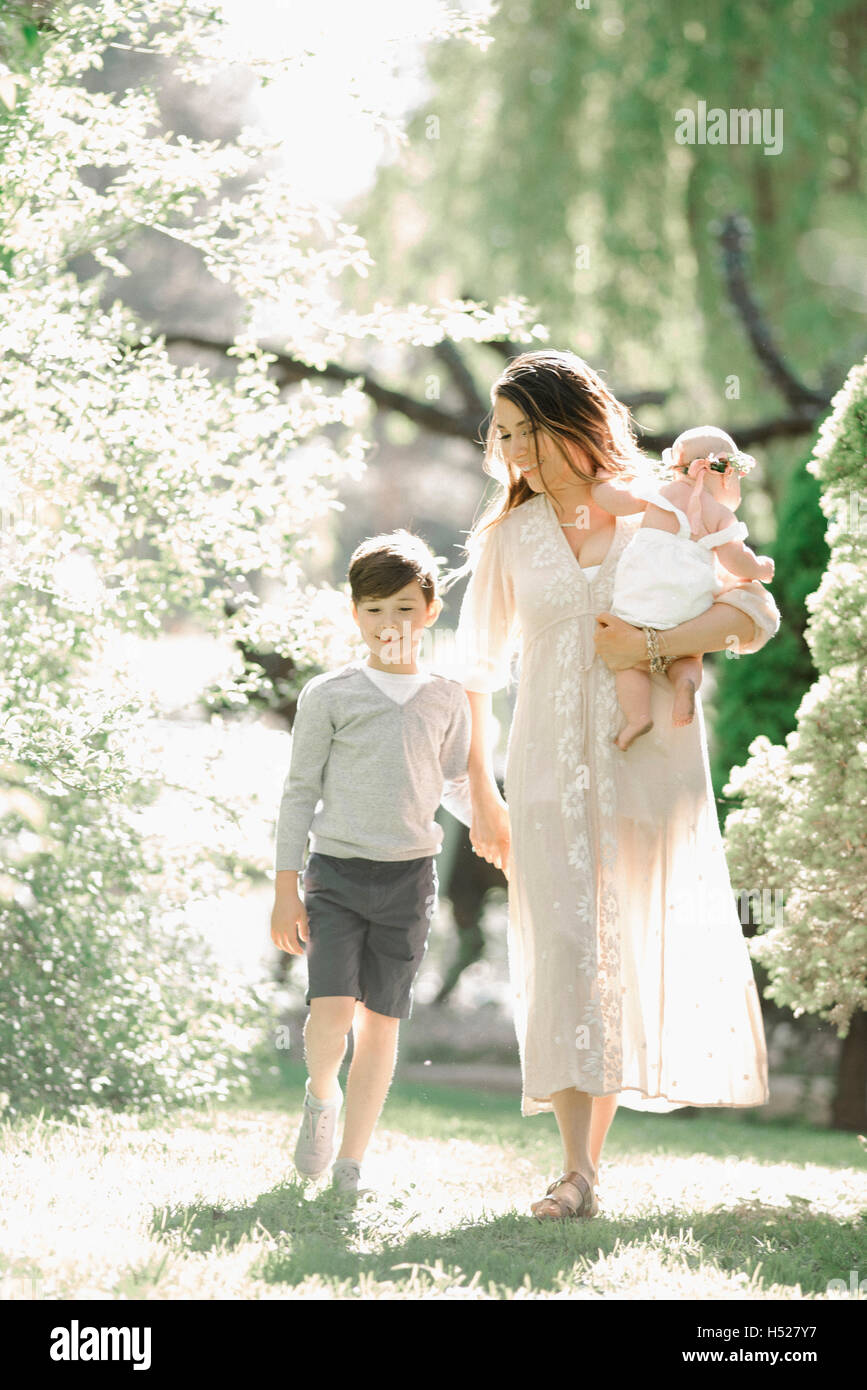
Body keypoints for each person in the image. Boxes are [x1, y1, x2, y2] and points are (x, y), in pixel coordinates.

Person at [450, 350, 780, 1221]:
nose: (513, 450)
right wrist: (482, 796)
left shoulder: (657, 508)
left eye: (525, 430)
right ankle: (577, 1171)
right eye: (504, 434)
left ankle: (583, 1169)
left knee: (615, 947)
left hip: (647, 769)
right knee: (564, 950)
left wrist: (651, 650)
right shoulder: (508, 538)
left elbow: (753, 615)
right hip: (547, 770)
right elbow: (475, 674)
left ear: (570, 421)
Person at [270, 530, 472, 1195]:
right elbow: (300, 791)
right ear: (355, 613)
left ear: (430, 610)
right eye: (375, 609)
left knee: (381, 1023)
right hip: (335, 874)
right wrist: (284, 888)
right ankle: (320, 1096)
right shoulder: (329, 695)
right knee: (330, 1015)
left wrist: (505, 832)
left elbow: (453, 782)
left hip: (409, 879)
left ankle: (351, 1163)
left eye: (405, 609)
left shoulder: (447, 696)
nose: (391, 624)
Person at [590, 425, 775, 749]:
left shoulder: (662, 492)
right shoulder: (719, 515)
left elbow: (616, 502)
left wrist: (601, 481)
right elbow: (735, 560)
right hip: (688, 605)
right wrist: (760, 568)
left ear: (677, 465)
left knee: (628, 664)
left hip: (640, 600)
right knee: (689, 656)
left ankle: (637, 718)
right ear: (725, 473)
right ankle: (685, 685)